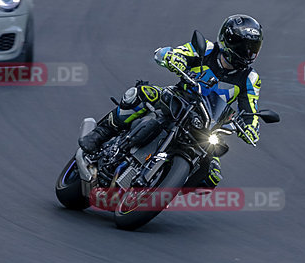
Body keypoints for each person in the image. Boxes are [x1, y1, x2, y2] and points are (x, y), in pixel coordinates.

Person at [78, 14, 264, 188]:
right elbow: (171, 52)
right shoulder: (206, 49)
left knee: (212, 174)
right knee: (140, 94)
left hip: (207, 123)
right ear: (227, 39)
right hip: (178, 100)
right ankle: (100, 133)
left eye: (252, 48)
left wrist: (251, 127)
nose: (247, 52)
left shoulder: (250, 78)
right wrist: (172, 57)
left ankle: (163, 188)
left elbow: (250, 109)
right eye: (242, 46)